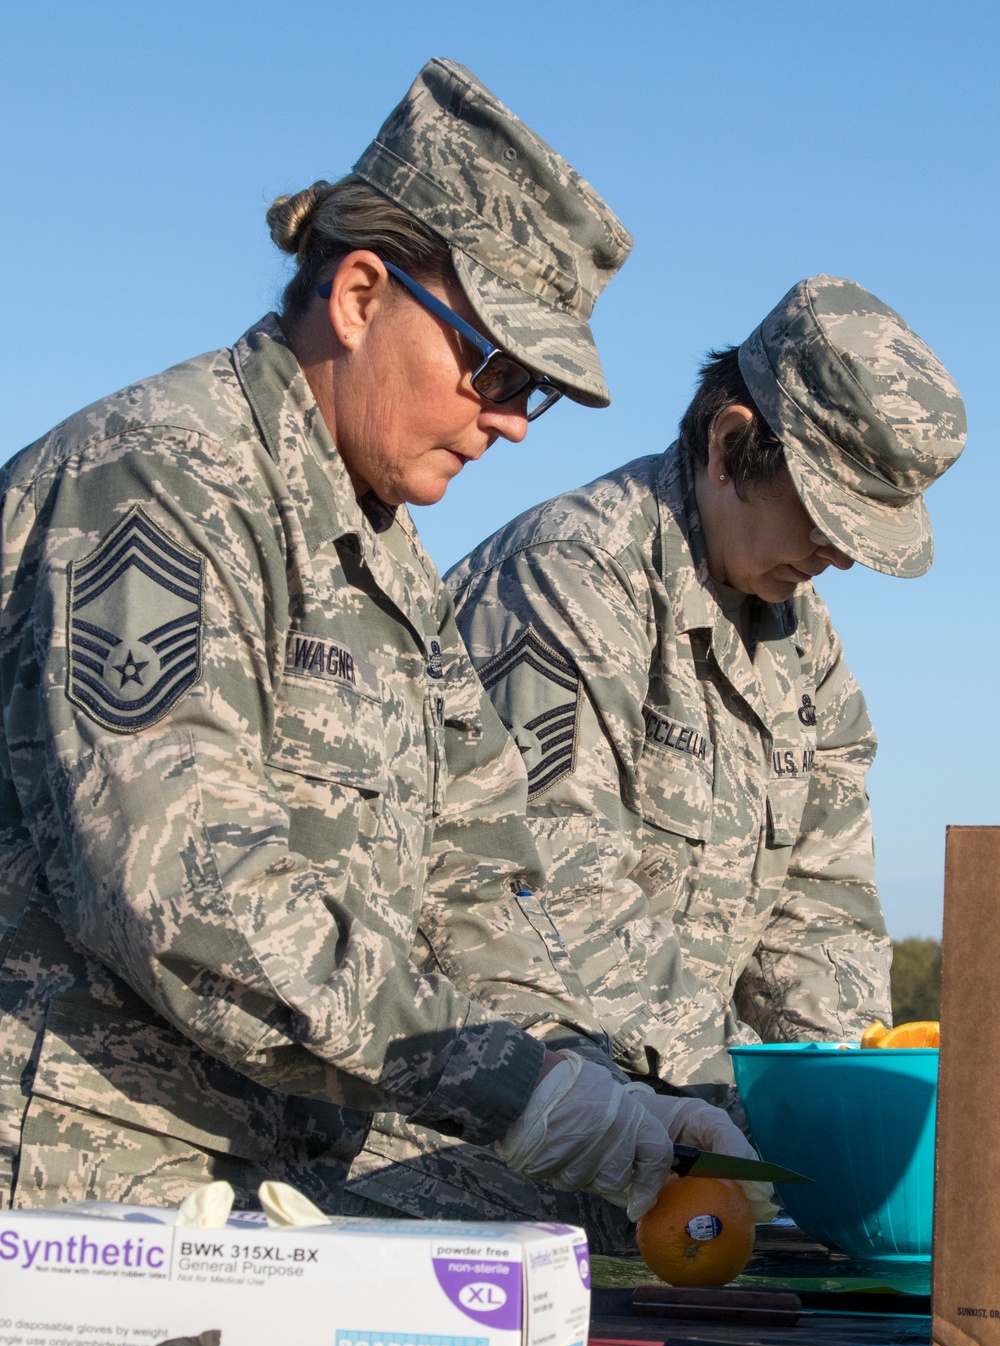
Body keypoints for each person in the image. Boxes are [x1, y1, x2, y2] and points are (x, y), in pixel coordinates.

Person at [0, 58, 754, 1233]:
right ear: (359, 294)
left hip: (273, 1200)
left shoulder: (387, 558)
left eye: (533, 391)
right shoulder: (154, 485)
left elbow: (480, 888)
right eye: (495, 366)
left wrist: (618, 1088)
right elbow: (184, 893)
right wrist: (517, 1091)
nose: (509, 419)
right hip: (81, 1203)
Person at [447, 276, 966, 1107]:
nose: (841, 554)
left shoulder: (806, 643)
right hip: (490, 1138)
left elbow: (821, 906)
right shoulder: (567, 581)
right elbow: (558, 901)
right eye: (828, 516)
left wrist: (850, 1103)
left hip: (681, 1139)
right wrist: (753, 1108)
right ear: (729, 446)